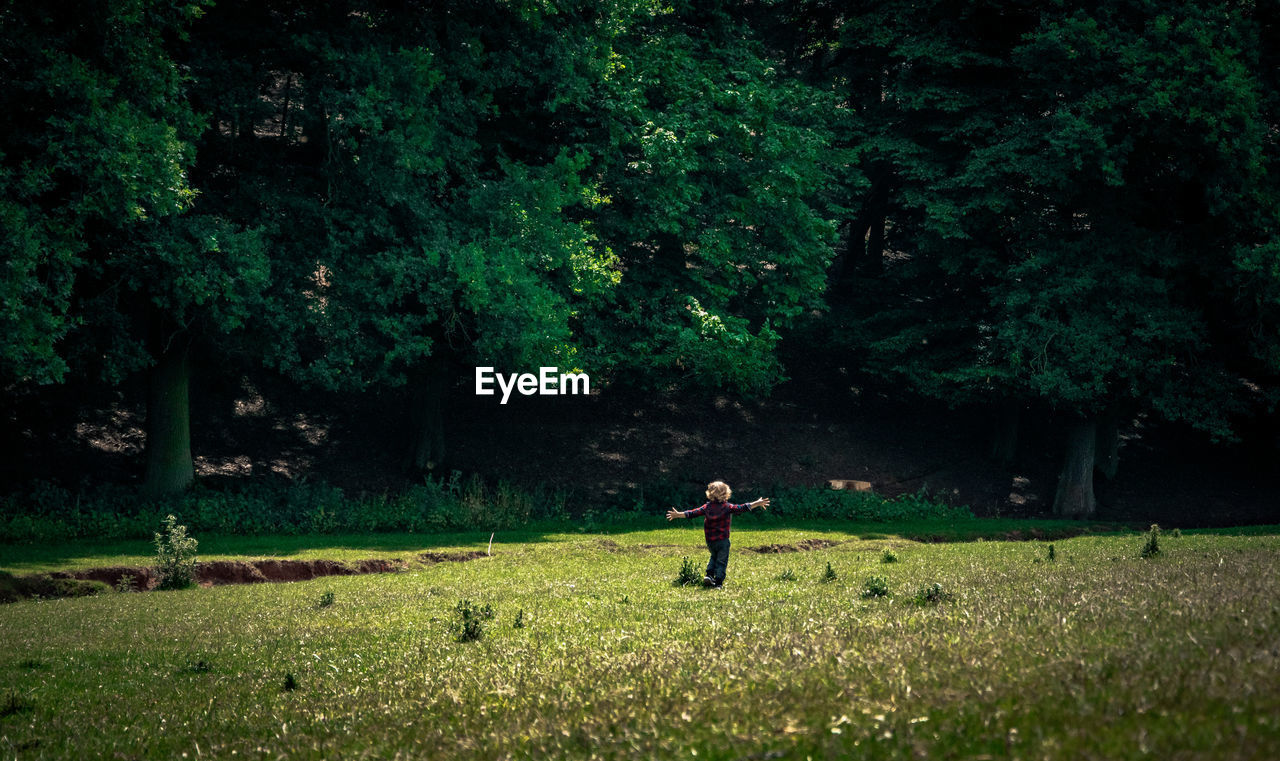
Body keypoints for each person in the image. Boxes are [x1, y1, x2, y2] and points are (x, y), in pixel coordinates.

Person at [666, 481, 770, 587]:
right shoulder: (727, 507)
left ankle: (709, 575)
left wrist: (678, 514)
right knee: (721, 561)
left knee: (714, 556)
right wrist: (757, 503)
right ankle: (718, 582)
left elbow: (692, 513)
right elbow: (742, 508)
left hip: (710, 541)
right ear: (726, 494)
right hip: (723, 540)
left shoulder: (707, 507)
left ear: (710, 494)